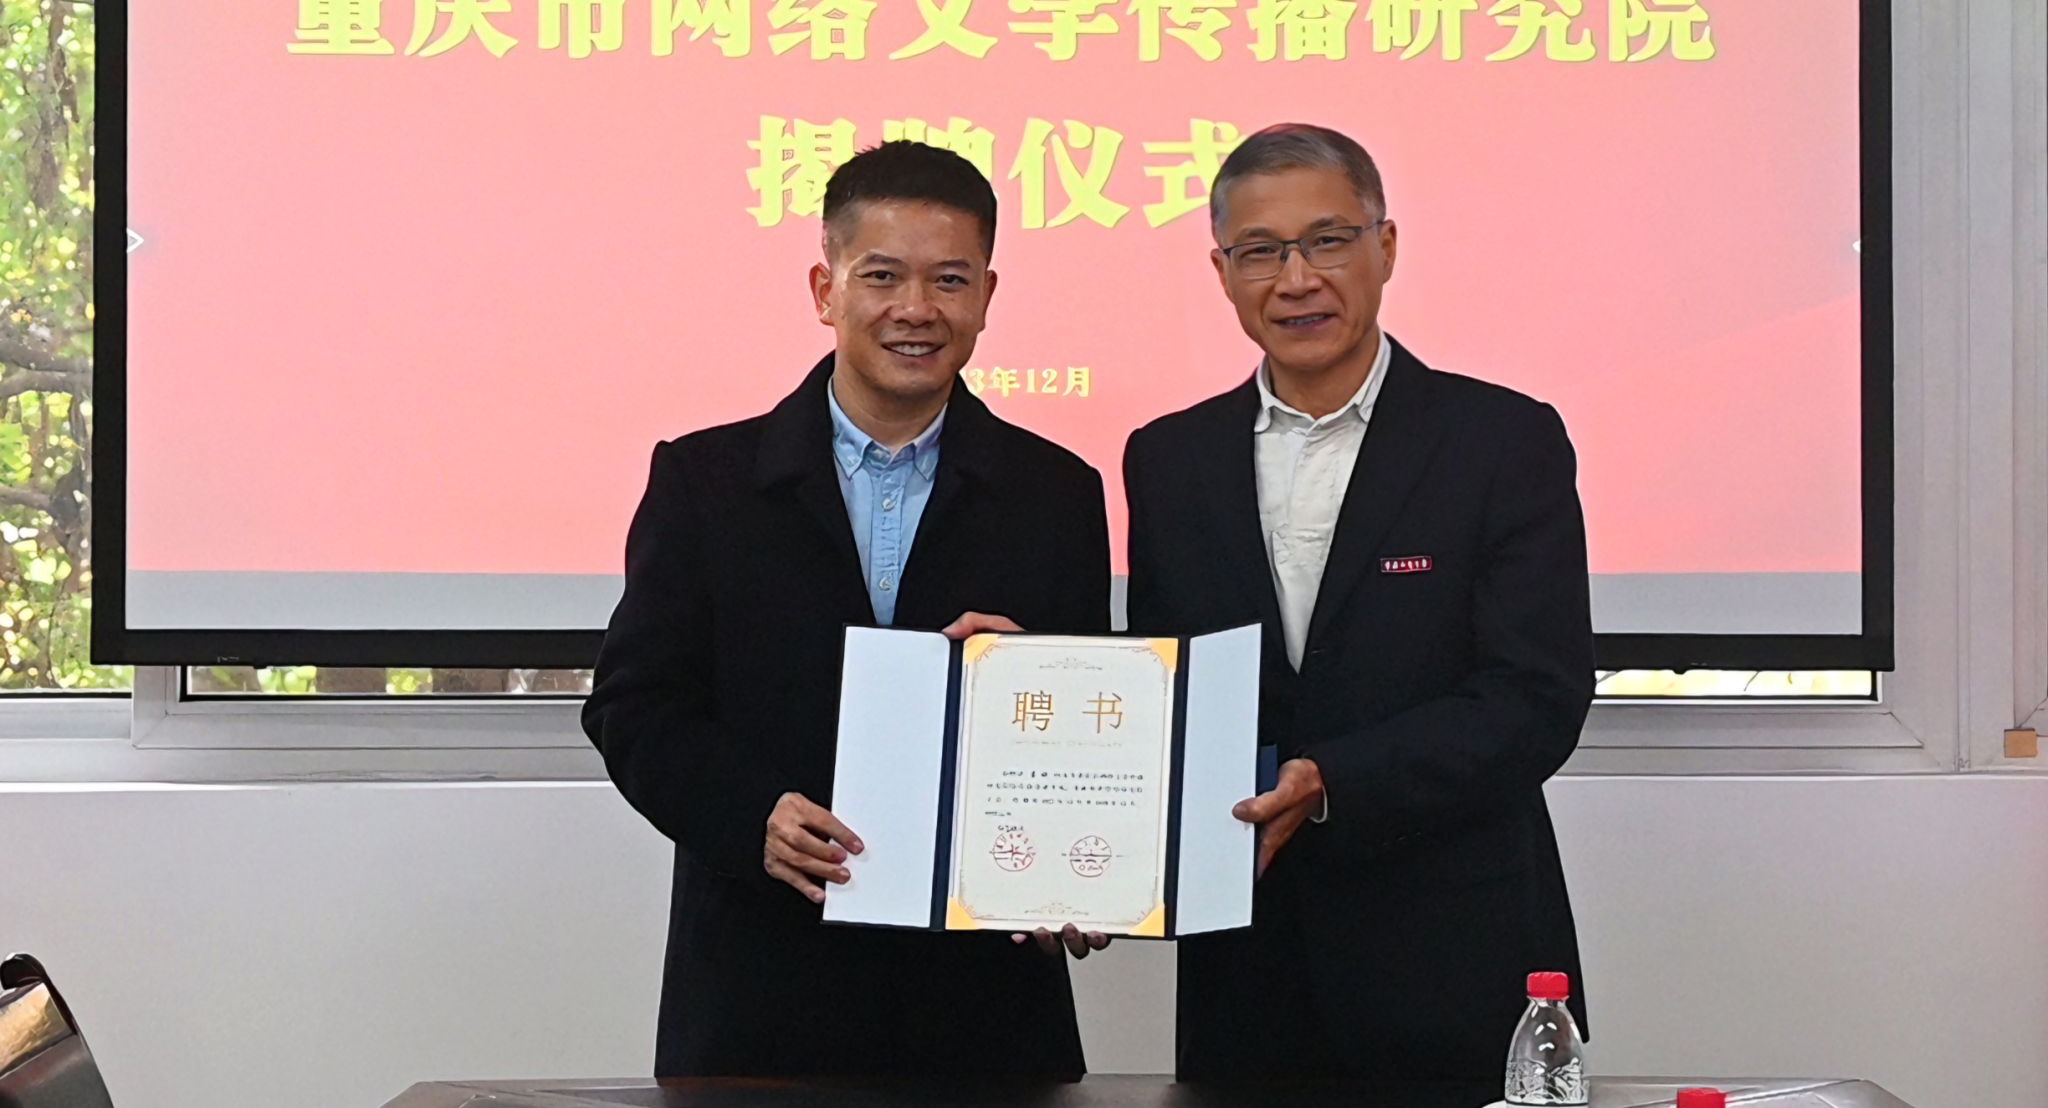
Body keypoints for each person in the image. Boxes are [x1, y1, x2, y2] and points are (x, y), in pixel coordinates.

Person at [585, 140, 1111, 1078]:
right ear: (825, 290)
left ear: (988, 295)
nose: (917, 309)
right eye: (882, 276)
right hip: (759, 990)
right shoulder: (706, 482)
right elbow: (635, 707)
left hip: (984, 1011)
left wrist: (1075, 845)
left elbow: (1091, 735)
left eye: (950, 280)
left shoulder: (1056, 493)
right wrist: (752, 815)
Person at [1123, 122, 1593, 1081]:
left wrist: (1332, 778)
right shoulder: (1170, 460)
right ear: (1222, 273)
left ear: (1386, 247)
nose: (1296, 279)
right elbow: (1169, 691)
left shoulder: (1501, 441)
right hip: (1249, 975)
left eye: (1327, 241)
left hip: (1457, 955)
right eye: (1260, 251)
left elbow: (1536, 697)